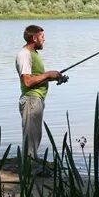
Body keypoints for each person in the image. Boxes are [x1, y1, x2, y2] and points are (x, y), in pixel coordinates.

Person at [15, 25, 65, 160]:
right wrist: (48, 74)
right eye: (42, 37)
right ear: (34, 37)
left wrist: (52, 77)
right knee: (31, 138)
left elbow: (35, 78)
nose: (44, 39)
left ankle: (31, 165)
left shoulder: (33, 54)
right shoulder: (24, 54)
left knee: (35, 136)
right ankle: (29, 169)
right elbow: (27, 82)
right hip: (31, 100)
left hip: (36, 100)